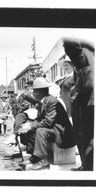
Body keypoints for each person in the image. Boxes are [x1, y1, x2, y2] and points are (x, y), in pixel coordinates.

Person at [18, 77, 75, 170]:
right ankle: (35, 158)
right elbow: (39, 119)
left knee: (40, 131)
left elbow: (48, 122)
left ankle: (43, 161)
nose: (33, 94)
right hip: (55, 129)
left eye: (34, 91)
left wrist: (32, 126)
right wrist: (28, 126)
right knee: (32, 130)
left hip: (63, 133)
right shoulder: (43, 101)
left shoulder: (51, 101)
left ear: (40, 92)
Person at [62, 37, 94, 171]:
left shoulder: (86, 54)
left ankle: (88, 169)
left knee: (88, 137)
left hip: (89, 102)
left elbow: (74, 48)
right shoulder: (78, 68)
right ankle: (85, 165)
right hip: (80, 103)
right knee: (82, 137)